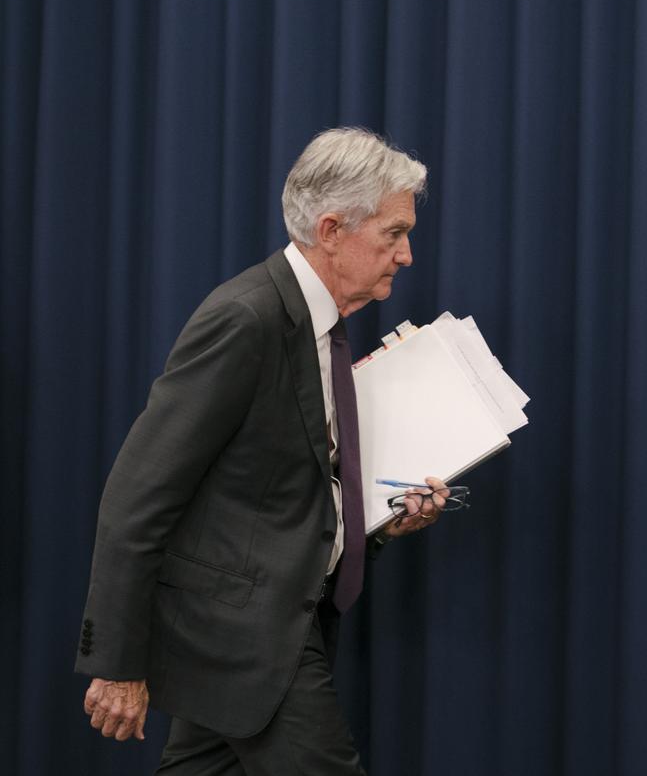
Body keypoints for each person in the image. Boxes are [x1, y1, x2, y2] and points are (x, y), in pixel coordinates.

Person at [76, 127, 448, 774]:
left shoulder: (322, 331)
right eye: (393, 233)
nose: (407, 254)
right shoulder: (246, 319)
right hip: (248, 641)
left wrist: (384, 521)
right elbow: (137, 497)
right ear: (332, 230)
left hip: (264, 634)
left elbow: (279, 495)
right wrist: (116, 660)